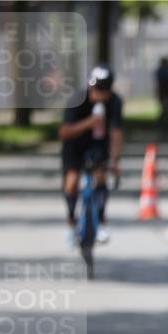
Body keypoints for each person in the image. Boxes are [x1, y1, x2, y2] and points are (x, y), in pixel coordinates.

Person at [58, 65, 123, 247]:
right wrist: (89, 123)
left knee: (101, 176)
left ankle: (101, 221)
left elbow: (117, 132)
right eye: (94, 89)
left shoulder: (115, 102)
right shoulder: (77, 99)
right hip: (74, 144)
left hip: (97, 143)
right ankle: (71, 222)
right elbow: (64, 132)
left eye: (102, 91)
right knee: (71, 183)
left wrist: (116, 161)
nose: (97, 95)